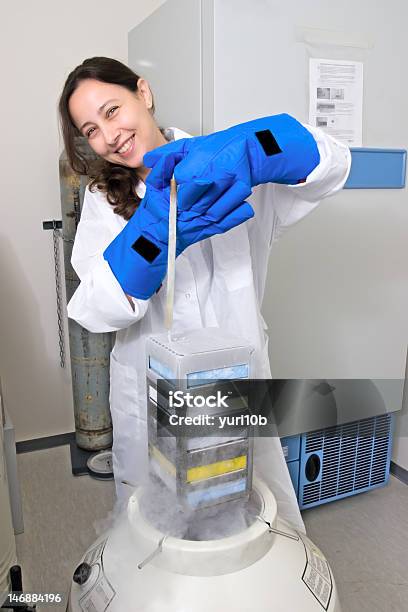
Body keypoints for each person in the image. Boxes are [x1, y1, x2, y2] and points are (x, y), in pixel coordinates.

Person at [59, 57, 351, 532]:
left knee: (253, 517)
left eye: (112, 111)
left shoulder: (227, 166)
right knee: (159, 533)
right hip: (149, 389)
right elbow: (92, 308)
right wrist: (150, 232)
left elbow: (334, 164)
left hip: (233, 383)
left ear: (144, 93)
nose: (108, 136)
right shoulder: (101, 199)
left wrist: (254, 150)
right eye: (91, 129)